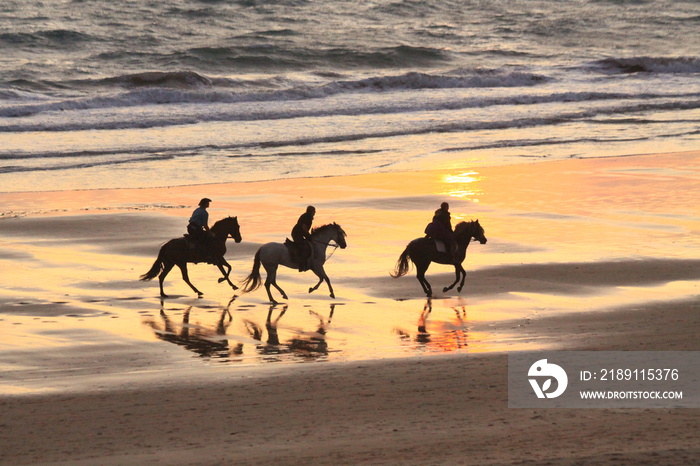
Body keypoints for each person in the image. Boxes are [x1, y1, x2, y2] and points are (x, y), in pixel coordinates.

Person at [291, 205, 315, 271]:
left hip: (300, 233)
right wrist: (308, 236)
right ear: (311, 211)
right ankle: (301, 264)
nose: (315, 213)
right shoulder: (307, 217)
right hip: (297, 234)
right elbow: (304, 227)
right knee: (303, 246)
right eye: (314, 211)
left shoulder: (308, 216)